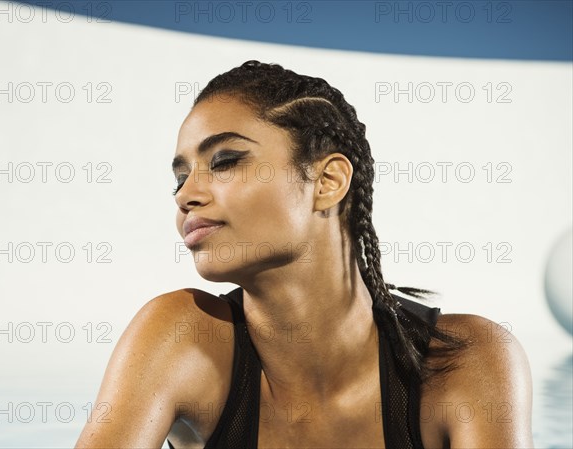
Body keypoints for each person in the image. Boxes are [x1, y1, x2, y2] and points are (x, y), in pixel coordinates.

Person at [75, 60, 534, 449]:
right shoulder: (182, 336)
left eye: (224, 161)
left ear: (328, 182)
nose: (186, 195)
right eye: (180, 177)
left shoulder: (465, 362)